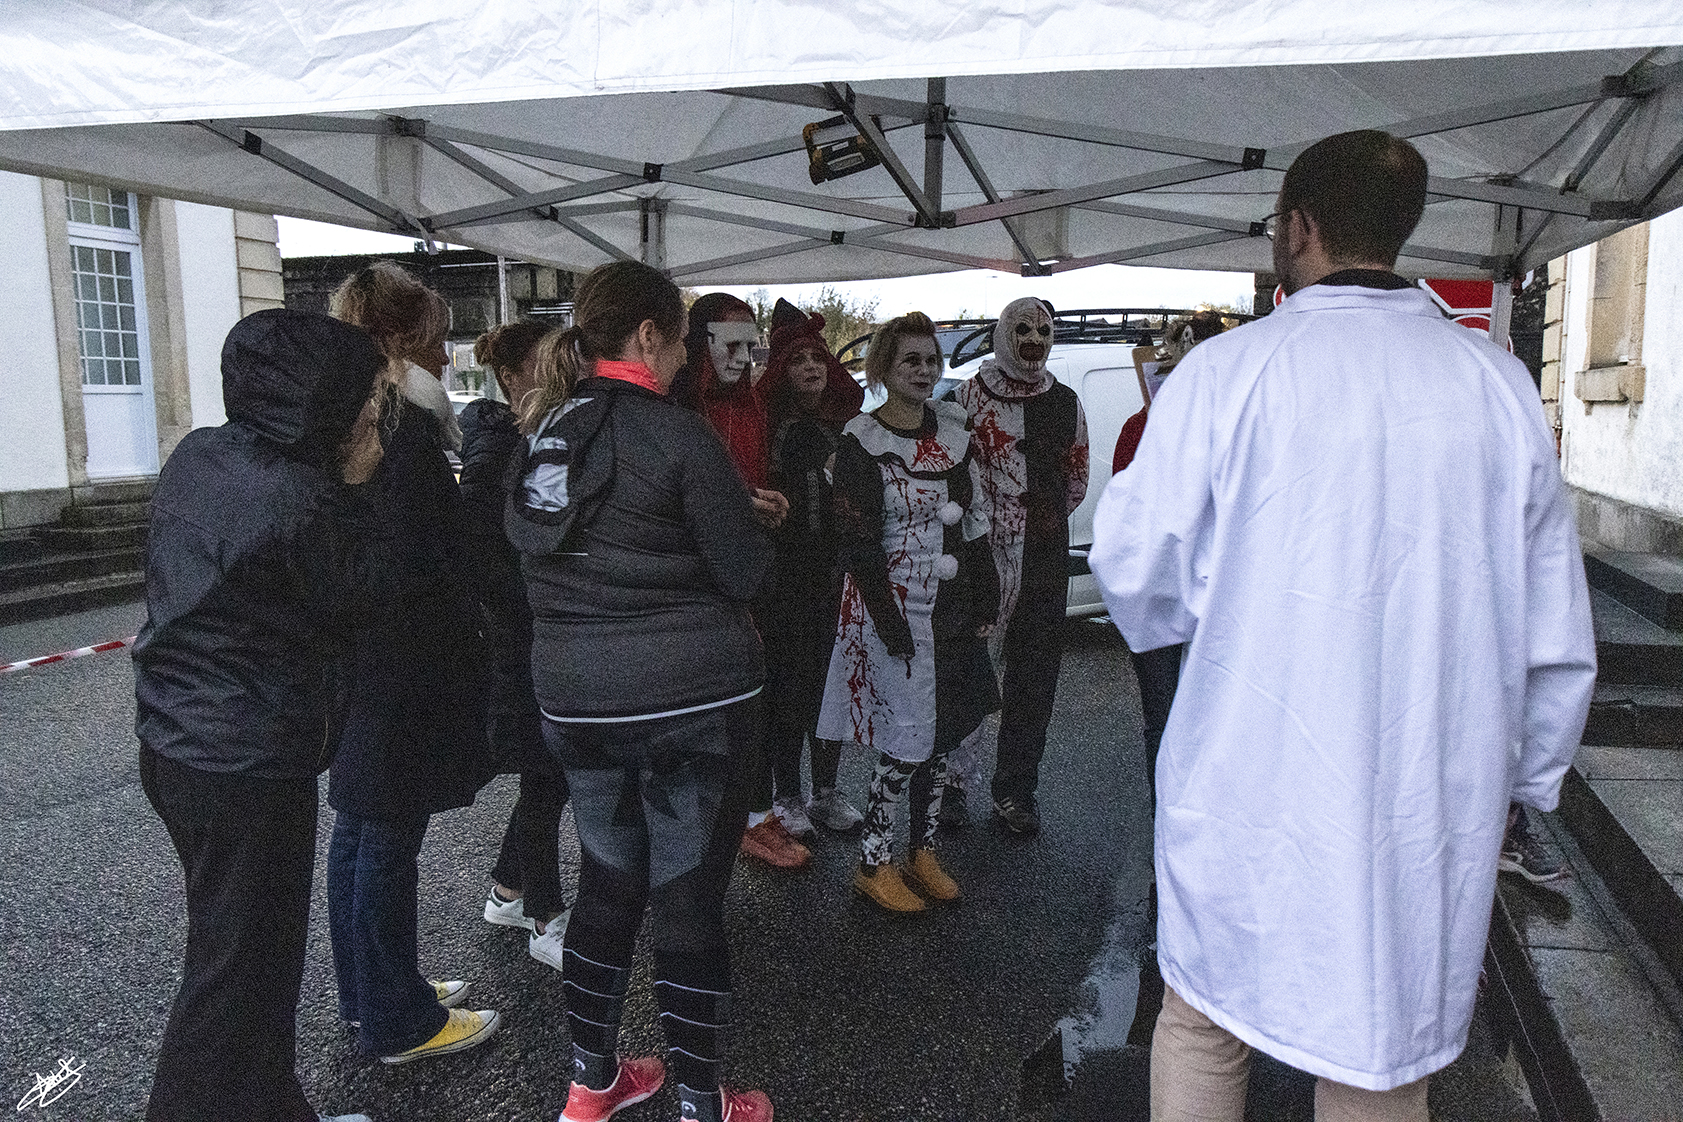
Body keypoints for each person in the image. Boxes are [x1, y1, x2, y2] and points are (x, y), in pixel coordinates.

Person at [1089, 130, 1597, 1121]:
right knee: (1379, 1057)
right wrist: (1522, 779)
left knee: (1204, 1019)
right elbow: (1552, 617)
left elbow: (1135, 566)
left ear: (1298, 228)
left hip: (1250, 769)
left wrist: (1226, 602)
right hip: (1426, 785)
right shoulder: (1495, 385)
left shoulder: (1227, 374)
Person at [507, 261, 774, 1122]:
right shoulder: (677, 434)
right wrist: (750, 519)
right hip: (690, 703)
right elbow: (745, 572)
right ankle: (700, 1102)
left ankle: (591, 1085)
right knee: (687, 896)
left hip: (573, 701)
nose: (687, 357)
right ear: (650, 334)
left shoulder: (544, 432)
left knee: (607, 881)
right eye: (683, 339)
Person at [133, 308, 389, 1122]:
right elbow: (360, 599)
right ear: (325, 402)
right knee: (234, 974)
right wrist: (359, 488)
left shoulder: (202, 454)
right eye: (366, 398)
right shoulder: (302, 499)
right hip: (245, 758)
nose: (375, 416)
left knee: (256, 960)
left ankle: (273, 1105)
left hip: (179, 739)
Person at [326, 261, 499, 1064]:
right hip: (407, 659)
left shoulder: (342, 412)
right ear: (399, 339)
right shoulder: (405, 426)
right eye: (435, 338)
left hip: (361, 655)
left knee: (360, 832)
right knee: (387, 838)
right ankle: (399, 1019)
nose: (444, 354)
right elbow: (425, 554)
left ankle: (370, 993)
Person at [816, 312, 1000, 913]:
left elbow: (972, 521)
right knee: (906, 740)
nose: (924, 371)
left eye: (930, 360)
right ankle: (874, 862)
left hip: (950, 609)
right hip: (892, 608)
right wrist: (890, 625)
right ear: (884, 369)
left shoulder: (953, 433)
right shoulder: (862, 442)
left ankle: (922, 851)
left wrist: (986, 590)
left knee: (941, 736)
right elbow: (857, 545)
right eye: (910, 361)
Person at [944, 297, 1089, 835]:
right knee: (972, 668)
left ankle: (1015, 790)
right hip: (980, 556)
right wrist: (991, 524)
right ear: (1004, 334)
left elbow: (1077, 473)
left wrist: (1041, 520)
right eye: (1023, 330)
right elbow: (952, 474)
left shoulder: (1065, 400)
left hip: (1044, 557)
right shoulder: (967, 397)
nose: (1033, 341)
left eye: (1043, 332)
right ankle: (952, 785)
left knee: (1034, 676)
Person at [677, 292, 807, 870]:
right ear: (698, 344)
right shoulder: (680, 407)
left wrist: (768, 505)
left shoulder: (749, 403)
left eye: (751, 347)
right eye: (730, 345)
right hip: (692, 588)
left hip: (743, 579)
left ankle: (752, 816)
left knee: (752, 703)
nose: (742, 358)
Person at [464, 320, 575, 968]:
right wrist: (532, 597)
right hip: (521, 640)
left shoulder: (536, 436)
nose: (564, 373)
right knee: (545, 774)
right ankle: (544, 920)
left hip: (536, 632)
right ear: (511, 377)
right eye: (547, 362)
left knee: (548, 774)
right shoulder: (498, 448)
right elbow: (483, 554)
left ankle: (507, 892)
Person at [758, 298, 866, 835]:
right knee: (788, 687)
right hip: (785, 576)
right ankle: (787, 794)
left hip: (835, 573)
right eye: (798, 360)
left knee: (832, 684)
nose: (810, 368)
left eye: (817, 359)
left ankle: (825, 790)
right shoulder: (768, 426)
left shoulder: (847, 428)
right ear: (783, 369)